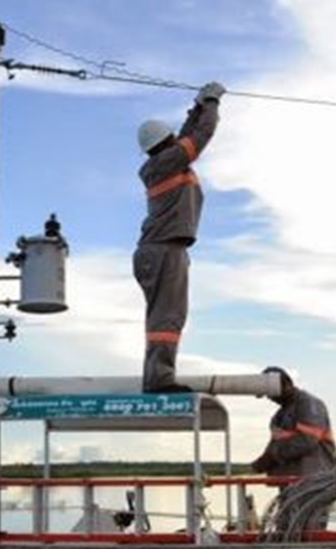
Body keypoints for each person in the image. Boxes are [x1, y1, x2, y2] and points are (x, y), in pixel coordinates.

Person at [133, 80, 226, 393]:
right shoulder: (168, 161)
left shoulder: (164, 161)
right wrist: (211, 102)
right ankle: (159, 380)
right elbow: (200, 136)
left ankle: (157, 377)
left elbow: (188, 135)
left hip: (159, 251)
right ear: (166, 141)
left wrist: (197, 106)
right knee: (166, 321)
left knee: (165, 318)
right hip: (163, 251)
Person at [251, 367, 336, 478]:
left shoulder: (308, 404)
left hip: (314, 481)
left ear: (287, 385)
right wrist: (260, 463)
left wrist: (273, 456)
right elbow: (274, 445)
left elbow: (307, 439)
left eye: (272, 393)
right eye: (267, 394)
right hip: (291, 482)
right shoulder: (278, 416)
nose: (270, 398)